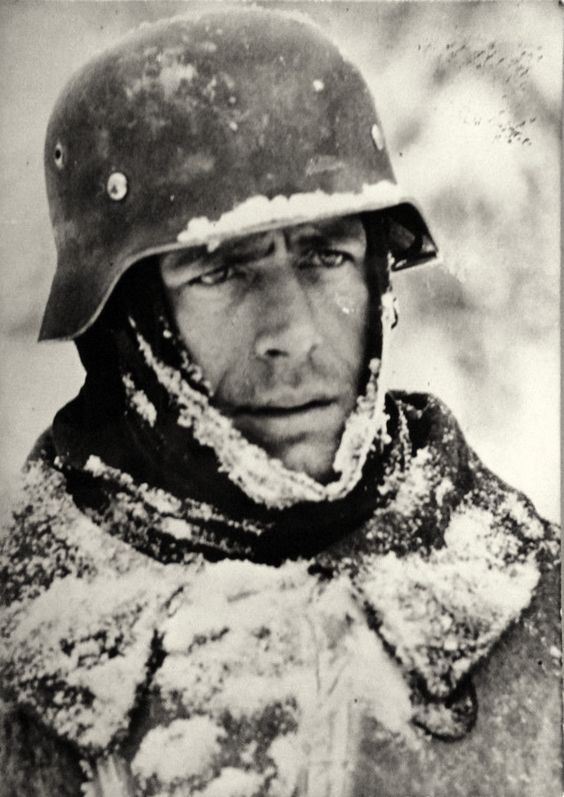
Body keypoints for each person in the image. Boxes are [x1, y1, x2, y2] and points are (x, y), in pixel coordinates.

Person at [0, 7, 560, 797]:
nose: (293, 333)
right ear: (124, 321)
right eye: (222, 271)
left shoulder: (536, 612)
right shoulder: (20, 659)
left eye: (327, 255)